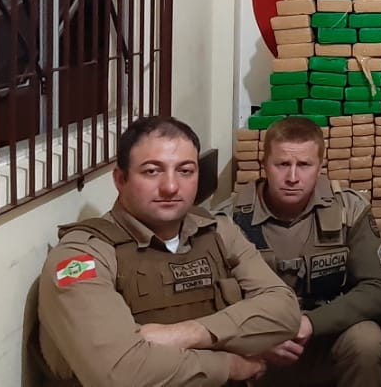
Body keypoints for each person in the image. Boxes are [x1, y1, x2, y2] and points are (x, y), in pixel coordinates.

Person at [36, 116, 301, 386]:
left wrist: (188, 333)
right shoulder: (84, 255)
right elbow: (120, 374)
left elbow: (286, 312)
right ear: (120, 179)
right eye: (152, 171)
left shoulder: (217, 231)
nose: (171, 187)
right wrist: (230, 365)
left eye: (185, 171)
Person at [216, 116, 381, 387]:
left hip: (324, 336)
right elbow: (210, 305)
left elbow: (380, 288)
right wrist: (254, 339)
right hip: (256, 348)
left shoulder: (348, 210)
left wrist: (311, 323)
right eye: (282, 164)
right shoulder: (227, 221)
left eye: (304, 165)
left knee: (367, 340)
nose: (292, 177)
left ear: (320, 167)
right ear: (264, 164)